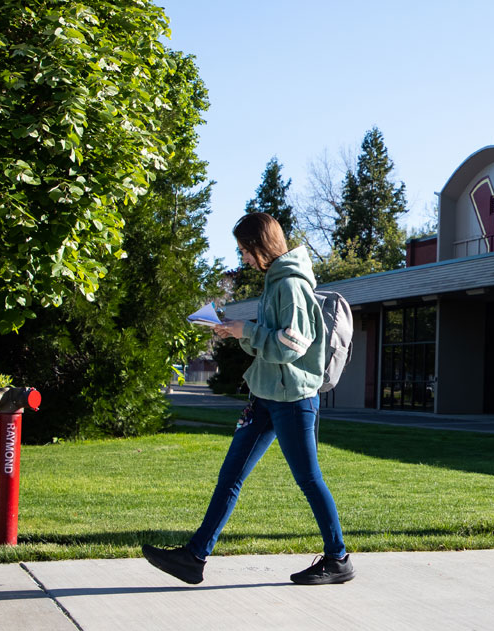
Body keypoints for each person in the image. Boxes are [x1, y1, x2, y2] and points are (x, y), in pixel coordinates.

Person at [142, 212, 353, 585]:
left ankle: (338, 558)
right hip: (267, 394)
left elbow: (292, 344)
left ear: (260, 246)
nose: (243, 258)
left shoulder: (291, 284)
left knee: (308, 478)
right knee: (231, 475)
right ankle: (194, 556)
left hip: (293, 399)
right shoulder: (275, 282)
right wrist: (237, 332)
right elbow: (270, 339)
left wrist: (248, 330)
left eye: (244, 250)